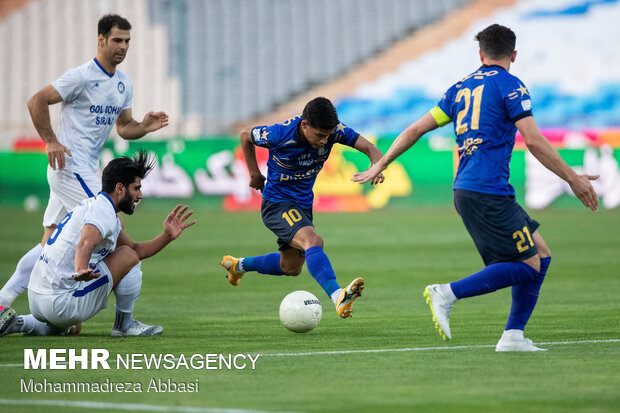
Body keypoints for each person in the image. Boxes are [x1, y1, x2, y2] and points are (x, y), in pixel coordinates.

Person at [352, 24, 599, 350]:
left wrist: (381, 162)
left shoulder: (459, 89)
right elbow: (535, 142)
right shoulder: (511, 86)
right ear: (513, 55)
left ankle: (513, 337)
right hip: (487, 190)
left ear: (480, 54)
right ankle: (446, 293)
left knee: (541, 254)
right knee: (528, 267)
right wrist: (573, 178)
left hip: (470, 189)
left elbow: (414, 130)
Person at [0, 14, 169, 313]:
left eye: (128, 41)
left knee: (48, 243)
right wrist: (50, 140)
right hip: (70, 168)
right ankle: (119, 319)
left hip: (83, 171)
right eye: (117, 40)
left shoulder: (123, 84)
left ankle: (2, 302)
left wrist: (144, 126)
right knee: (114, 224)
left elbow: (123, 127)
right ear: (101, 40)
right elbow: (36, 101)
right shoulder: (80, 76)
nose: (123, 46)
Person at [0, 151, 195, 337]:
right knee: (128, 258)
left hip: (37, 298)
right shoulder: (103, 212)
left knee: (73, 327)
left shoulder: (95, 205)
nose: (140, 195)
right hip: (59, 300)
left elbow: (136, 248)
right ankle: (124, 326)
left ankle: (18, 323)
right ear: (120, 188)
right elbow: (86, 242)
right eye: (136, 188)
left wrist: (167, 236)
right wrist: (81, 269)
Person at [220, 97, 384, 318]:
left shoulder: (335, 131)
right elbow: (245, 136)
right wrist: (254, 174)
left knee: (291, 267)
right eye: (319, 136)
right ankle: (338, 297)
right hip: (277, 204)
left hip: (302, 206)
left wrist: (377, 166)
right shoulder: (279, 134)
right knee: (313, 241)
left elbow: (371, 148)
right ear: (305, 125)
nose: (325, 141)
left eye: (328, 136)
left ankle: (237, 266)